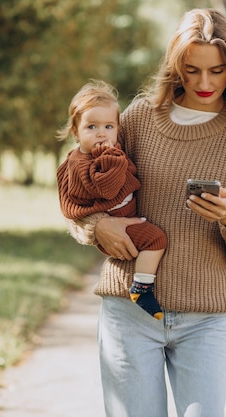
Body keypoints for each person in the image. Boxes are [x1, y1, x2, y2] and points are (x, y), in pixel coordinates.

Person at [66, 9, 226, 417]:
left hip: (206, 319)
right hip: (129, 313)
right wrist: (98, 227)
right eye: (191, 69)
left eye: (216, 71)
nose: (203, 83)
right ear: (176, 66)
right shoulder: (141, 120)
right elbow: (80, 188)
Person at [56, 80, 167, 320]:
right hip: (117, 222)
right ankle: (142, 288)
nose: (101, 134)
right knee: (156, 239)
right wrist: (112, 158)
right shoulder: (83, 162)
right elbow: (108, 188)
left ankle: (142, 285)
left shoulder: (101, 155)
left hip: (123, 215)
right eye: (91, 127)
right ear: (76, 132)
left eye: (108, 126)